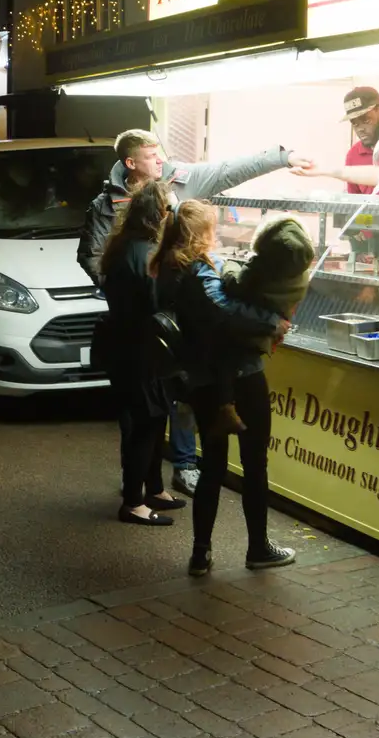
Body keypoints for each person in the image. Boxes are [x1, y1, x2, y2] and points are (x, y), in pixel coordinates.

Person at [78, 128, 314, 496]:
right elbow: (93, 257)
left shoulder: (179, 179)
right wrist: (132, 292)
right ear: (131, 163)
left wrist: (280, 157)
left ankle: (169, 475)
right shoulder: (108, 206)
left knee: (171, 402)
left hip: (171, 322)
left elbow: (226, 171)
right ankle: (136, 490)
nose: (161, 160)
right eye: (153, 155)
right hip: (142, 326)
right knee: (144, 413)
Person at [152, 201, 295, 577]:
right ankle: (258, 548)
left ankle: (201, 553)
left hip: (201, 380)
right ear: (200, 234)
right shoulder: (199, 270)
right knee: (254, 464)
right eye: (211, 228)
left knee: (212, 465)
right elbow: (224, 311)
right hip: (238, 378)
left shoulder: (167, 267)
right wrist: (271, 321)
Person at [96, 181, 186, 526]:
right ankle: (133, 503)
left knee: (151, 418)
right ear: (159, 215)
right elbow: (154, 303)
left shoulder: (124, 245)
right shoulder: (145, 253)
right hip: (141, 350)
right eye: (170, 211)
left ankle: (154, 489)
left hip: (125, 345)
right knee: (146, 424)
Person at [209, 218, 316, 435]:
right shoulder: (301, 270)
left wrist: (227, 264)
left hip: (243, 339)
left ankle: (225, 406)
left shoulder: (260, 267)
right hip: (262, 343)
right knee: (257, 447)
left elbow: (234, 284)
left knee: (223, 355)